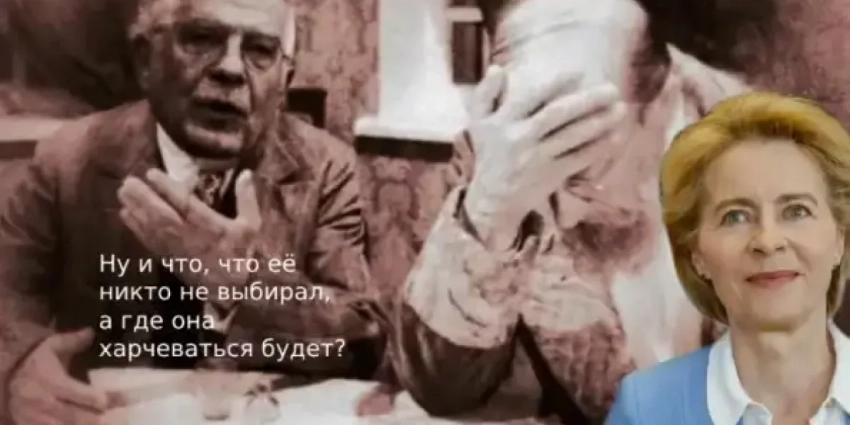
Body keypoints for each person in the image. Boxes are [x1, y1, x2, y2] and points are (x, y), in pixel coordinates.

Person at [0, 0, 384, 423]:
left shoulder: (325, 168)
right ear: (145, 59)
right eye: (201, 38)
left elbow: (362, 341)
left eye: (260, 50)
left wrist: (243, 286)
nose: (231, 69)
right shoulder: (68, 161)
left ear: (283, 82)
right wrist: (17, 373)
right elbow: (8, 301)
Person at [386, 0, 753, 423]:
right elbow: (440, 389)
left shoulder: (779, 153)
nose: (562, 219)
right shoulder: (499, 156)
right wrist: (489, 212)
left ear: (663, 104)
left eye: (581, 175)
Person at [606, 92, 850, 424]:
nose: (768, 241)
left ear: (840, 238)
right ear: (696, 254)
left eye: (796, 211)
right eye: (735, 217)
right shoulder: (646, 410)